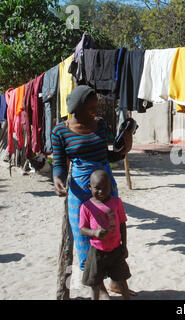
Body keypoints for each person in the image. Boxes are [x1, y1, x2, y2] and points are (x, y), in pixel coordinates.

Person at [51, 85, 133, 296]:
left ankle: (116, 281)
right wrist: (57, 179)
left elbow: (107, 156)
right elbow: (59, 164)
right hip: (80, 192)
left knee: (113, 233)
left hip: (106, 186)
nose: (96, 111)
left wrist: (124, 148)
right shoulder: (60, 131)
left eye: (96, 106)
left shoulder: (100, 124)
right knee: (85, 238)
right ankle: (98, 287)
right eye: (91, 107)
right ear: (77, 107)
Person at [79, 170, 131, 300]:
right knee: (94, 283)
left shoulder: (116, 202)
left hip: (115, 249)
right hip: (96, 251)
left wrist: (124, 245)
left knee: (121, 279)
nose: (101, 191)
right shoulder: (86, 207)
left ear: (111, 187)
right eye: (97, 188)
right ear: (90, 187)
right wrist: (94, 232)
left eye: (105, 187)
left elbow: (122, 225)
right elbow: (82, 228)